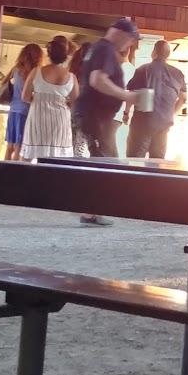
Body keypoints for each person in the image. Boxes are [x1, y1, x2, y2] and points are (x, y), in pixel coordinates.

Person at [72, 18, 141, 225]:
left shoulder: (99, 49)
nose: (129, 45)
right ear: (121, 34)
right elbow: (97, 80)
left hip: (96, 115)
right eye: (130, 40)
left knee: (103, 159)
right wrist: (125, 95)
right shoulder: (105, 50)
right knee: (101, 161)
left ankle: (94, 208)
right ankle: (91, 211)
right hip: (94, 115)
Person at [20, 35, 78, 160]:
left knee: (28, 158)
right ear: (66, 55)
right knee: (58, 160)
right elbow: (75, 103)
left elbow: (25, 96)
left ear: (48, 53)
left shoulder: (36, 71)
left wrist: (38, 100)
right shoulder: (71, 77)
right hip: (60, 120)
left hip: (38, 117)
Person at [126, 41, 187, 158]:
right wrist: (172, 113)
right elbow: (183, 98)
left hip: (142, 122)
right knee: (157, 162)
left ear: (153, 52)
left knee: (135, 160)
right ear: (168, 55)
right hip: (164, 124)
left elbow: (132, 93)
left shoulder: (143, 69)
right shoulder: (178, 73)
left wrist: (126, 112)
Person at [1, 43, 42, 161]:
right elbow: (29, 94)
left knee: (10, 146)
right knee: (19, 146)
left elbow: (6, 84)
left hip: (13, 110)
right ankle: (15, 173)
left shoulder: (16, 69)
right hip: (26, 112)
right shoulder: (35, 73)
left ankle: (4, 170)